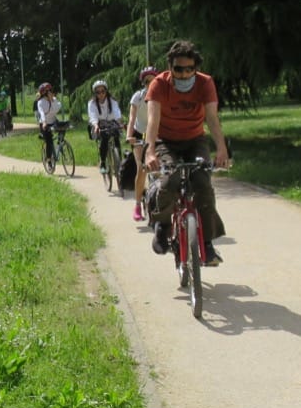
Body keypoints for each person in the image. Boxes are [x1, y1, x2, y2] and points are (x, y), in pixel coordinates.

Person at [143, 40, 230, 264]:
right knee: (170, 180)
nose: (184, 74)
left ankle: (207, 244)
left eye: (190, 69)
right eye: (179, 69)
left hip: (194, 140)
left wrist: (221, 149)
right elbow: (152, 122)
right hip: (166, 141)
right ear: (170, 67)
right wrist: (150, 152)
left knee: (202, 183)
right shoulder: (159, 85)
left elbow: (212, 118)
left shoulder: (205, 83)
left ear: (196, 68)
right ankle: (162, 225)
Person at [126, 66, 159, 222]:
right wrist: (129, 135)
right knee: (142, 168)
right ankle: (138, 204)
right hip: (139, 134)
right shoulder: (137, 97)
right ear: (143, 83)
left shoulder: (162, 95)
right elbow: (132, 118)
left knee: (162, 168)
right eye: (147, 82)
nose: (150, 85)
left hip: (157, 133)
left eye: (153, 81)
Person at [86, 80, 123, 167]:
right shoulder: (92, 103)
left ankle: (119, 162)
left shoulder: (112, 100)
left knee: (116, 136)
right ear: (95, 93)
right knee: (104, 138)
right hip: (99, 123)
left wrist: (119, 122)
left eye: (103, 91)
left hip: (111, 122)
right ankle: (103, 162)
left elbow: (116, 112)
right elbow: (92, 116)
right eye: (98, 92)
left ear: (106, 91)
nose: (101, 94)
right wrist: (95, 126)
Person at [34, 82, 61, 164]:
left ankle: (58, 146)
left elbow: (57, 108)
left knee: (63, 128)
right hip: (44, 124)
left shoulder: (54, 100)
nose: (50, 92)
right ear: (44, 93)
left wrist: (53, 100)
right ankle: (48, 159)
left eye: (50, 90)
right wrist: (44, 122)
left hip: (53, 121)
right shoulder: (40, 102)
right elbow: (41, 113)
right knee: (49, 141)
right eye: (48, 91)